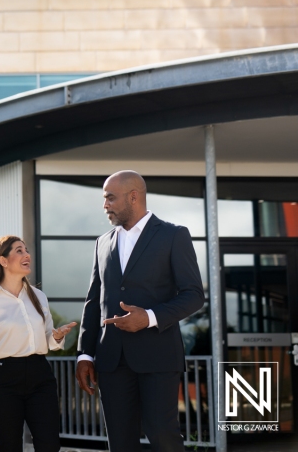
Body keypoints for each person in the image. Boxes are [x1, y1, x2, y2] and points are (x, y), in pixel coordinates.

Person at [76, 170, 204, 452]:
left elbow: (194, 295)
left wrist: (149, 317)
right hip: (111, 361)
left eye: (110, 197)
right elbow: (93, 301)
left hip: (158, 358)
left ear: (133, 196)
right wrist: (85, 353)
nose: (105, 205)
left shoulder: (174, 236)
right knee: (120, 443)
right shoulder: (103, 243)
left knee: (163, 435)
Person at [0, 235, 77, 452]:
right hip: (4, 379)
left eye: (26, 250)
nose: (27, 255)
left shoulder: (38, 296)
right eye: (19, 250)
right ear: (3, 260)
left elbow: (47, 339)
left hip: (40, 375)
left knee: (49, 445)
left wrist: (55, 337)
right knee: (10, 446)